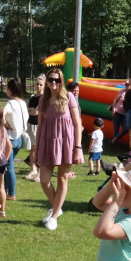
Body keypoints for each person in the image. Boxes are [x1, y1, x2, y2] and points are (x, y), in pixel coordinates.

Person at [36, 74, 83, 230]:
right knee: (44, 179)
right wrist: (37, 149)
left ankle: (54, 216)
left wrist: (78, 147)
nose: (53, 82)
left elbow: (77, 124)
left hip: (66, 143)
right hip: (48, 142)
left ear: (62, 81)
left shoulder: (69, 97)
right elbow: (40, 126)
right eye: (51, 80)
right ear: (47, 82)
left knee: (62, 179)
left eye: (57, 80)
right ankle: (57, 207)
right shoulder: (43, 99)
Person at [2, 78, 28, 201]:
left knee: (8, 166)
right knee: (8, 166)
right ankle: (7, 190)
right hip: (19, 138)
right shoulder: (23, 103)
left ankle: (11, 193)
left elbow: (2, 114)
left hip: (10, 139)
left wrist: (4, 123)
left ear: (10, 90)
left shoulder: (10, 103)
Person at [25, 74, 45, 181]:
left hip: (39, 125)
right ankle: (33, 169)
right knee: (32, 148)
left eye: (40, 84)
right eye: (37, 84)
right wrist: (31, 111)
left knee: (39, 149)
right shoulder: (33, 97)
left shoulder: (44, 98)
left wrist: (31, 111)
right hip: (30, 125)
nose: (38, 86)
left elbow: (35, 112)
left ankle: (40, 172)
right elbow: (27, 110)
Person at [110, 76, 131, 144]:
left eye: (128, 83)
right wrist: (114, 109)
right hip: (119, 112)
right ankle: (115, 144)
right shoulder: (123, 91)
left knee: (129, 129)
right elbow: (115, 101)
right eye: (126, 84)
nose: (127, 85)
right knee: (119, 129)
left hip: (128, 112)